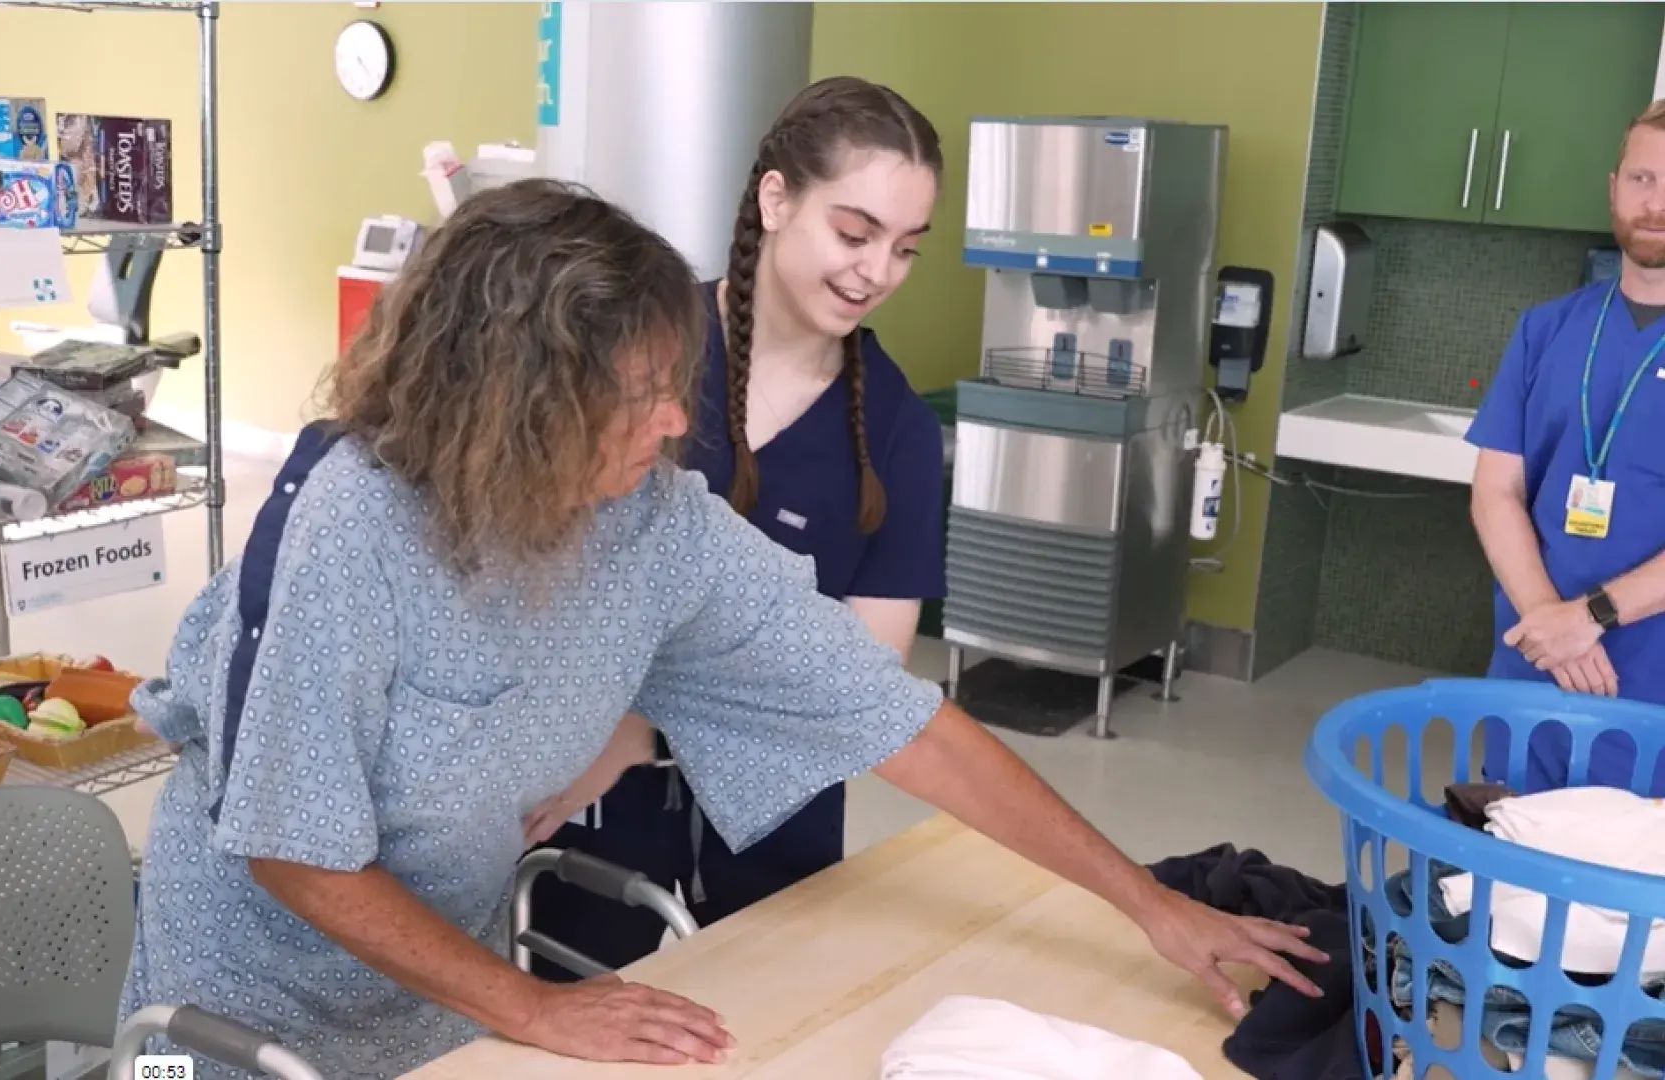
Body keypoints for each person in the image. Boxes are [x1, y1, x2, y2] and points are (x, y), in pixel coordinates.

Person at [121, 178, 1325, 1079]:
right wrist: (535, 1005)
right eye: (635, 394)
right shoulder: (350, 523)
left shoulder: (654, 526)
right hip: (235, 1009)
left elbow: (902, 725)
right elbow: (291, 846)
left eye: (673, 384)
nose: (670, 424)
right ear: (513, 400)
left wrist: (1152, 904)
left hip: (446, 1005)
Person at [521, 76, 948, 978]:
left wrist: (639, 730)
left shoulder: (900, 433)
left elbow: (864, 677)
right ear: (776, 197)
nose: (878, 273)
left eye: (906, 249)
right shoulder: (638, 352)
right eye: (855, 232)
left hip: (774, 826)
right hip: (582, 798)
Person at [1467, 100, 1665, 797]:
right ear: (1613, 186)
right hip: (1535, 663)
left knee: (1628, 891)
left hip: (1648, 679)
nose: (1657, 204)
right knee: (1511, 868)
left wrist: (1590, 620)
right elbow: (1495, 491)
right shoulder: (1546, 329)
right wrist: (1548, 622)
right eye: (1643, 179)